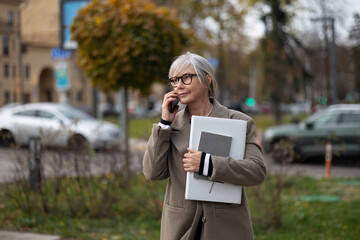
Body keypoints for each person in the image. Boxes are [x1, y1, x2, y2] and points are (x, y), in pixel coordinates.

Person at [143, 52, 266, 240]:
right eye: (174, 80)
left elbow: (256, 171)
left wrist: (207, 163)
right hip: (180, 227)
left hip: (226, 228)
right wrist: (164, 124)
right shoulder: (171, 126)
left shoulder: (239, 122)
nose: (179, 86)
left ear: (207, 80)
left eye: (186, 77)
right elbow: (152, 173)